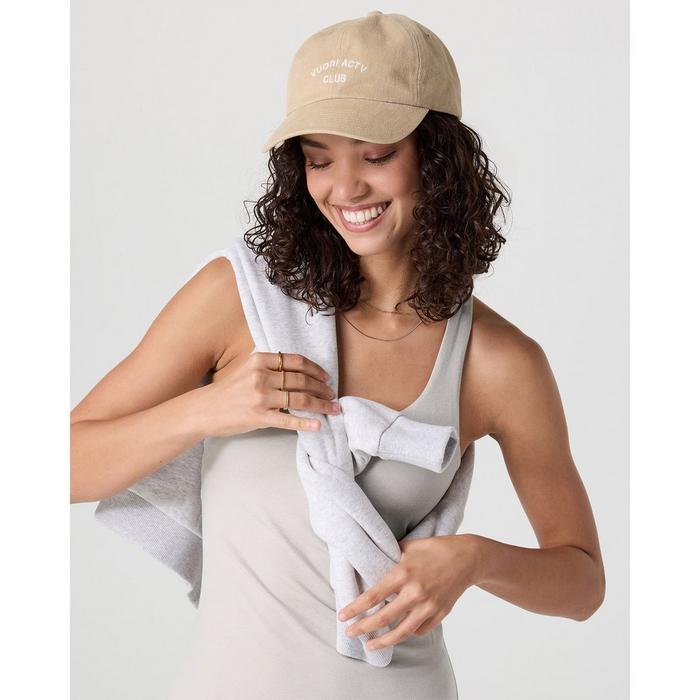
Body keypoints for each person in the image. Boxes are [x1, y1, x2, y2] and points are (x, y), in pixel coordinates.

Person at [70, 11, 605, 699]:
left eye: (376, 155)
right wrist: (206, 409)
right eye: (319, 158)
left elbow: (581, 584)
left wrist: (473, 560)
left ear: (438, 158)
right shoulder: (238, 301)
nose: (345, 188)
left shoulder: (499, 362)